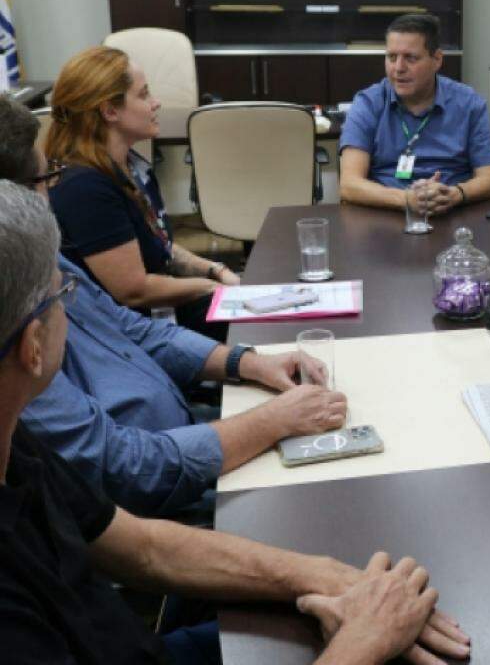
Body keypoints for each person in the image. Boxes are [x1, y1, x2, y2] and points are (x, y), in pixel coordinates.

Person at [0, 181, 471, 665]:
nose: (72, 307)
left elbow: (142, 548)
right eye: (65, 296)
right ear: (32, 344)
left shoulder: (18, 447)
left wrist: (332, 578)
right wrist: (364, 643)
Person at [0, 97, 349, 516]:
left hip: (180, 439)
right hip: (159, 494)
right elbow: (125, 466)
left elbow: (135, 329)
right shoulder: (14, 336)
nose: (53, 190)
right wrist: (272, 422)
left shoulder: (46, 259)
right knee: (319, 505)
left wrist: (250, 363)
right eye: (45, 178)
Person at [44, 45, 235, 339]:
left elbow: (157, 245)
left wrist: (215, 270)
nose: (156, 103)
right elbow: (134, 290)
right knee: (257, 329)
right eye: (144, 94)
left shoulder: (131, 166)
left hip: (160, 313)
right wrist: (213, 289)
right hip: (126, 334)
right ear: (109, 110)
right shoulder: (84, 188)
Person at [339, 13, 490, 215]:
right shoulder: (368, 103)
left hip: (453, 213)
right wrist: (407, 199)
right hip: (387, 214)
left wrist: (456, 194)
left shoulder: (469, 104)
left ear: (437, 60)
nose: (398, 68)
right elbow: (349, 185)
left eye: (411, 58)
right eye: (392, 57)